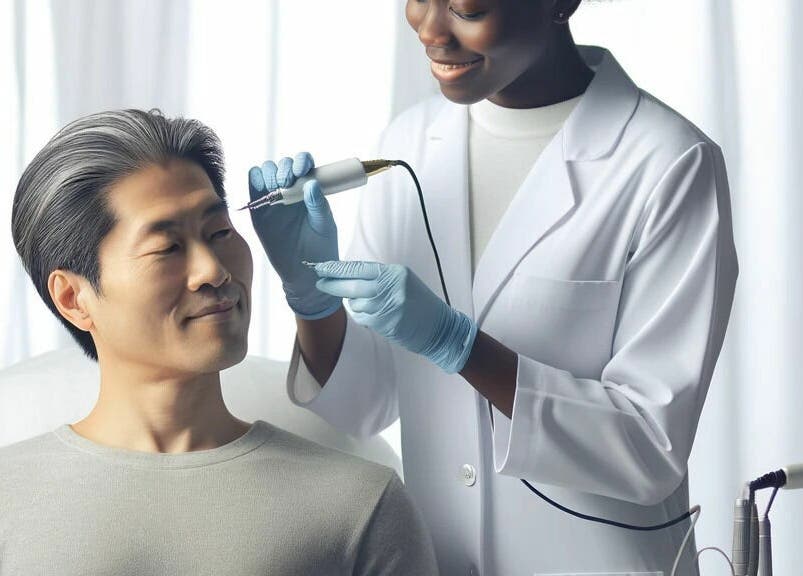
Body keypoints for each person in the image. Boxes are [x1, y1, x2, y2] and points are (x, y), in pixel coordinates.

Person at [248, 1, 739, 575]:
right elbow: (364, 405)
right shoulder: (408, 144)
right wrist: (313, 298)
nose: (431, 30)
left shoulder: (667, 162)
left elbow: (650, 448)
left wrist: (461, 347)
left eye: (466, 8)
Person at [1, 109, 438, 575]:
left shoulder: (359, 506)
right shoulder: (10, 499)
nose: (214, 270)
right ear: (73, 299)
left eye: (220, 232)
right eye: (167, 248)